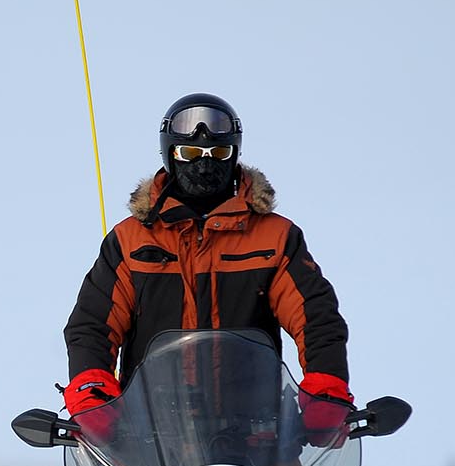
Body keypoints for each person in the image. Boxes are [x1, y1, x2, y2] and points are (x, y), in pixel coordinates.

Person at [62, 93, 353, 439]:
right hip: (149, 443)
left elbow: (316, 317)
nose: (204, 165)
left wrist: (326, 390)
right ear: (170, 154)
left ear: (235, 154)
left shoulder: (275, 237)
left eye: (217, 154)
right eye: (190, 154)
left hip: (256, 441)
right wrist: (92, 390)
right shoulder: (131, 241)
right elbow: (93, 325)